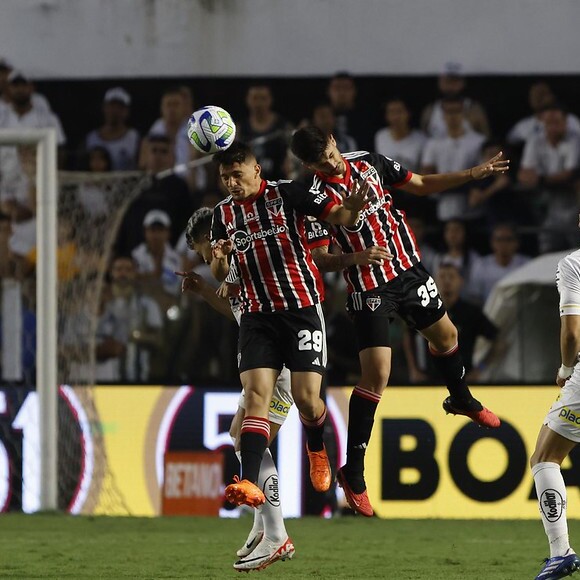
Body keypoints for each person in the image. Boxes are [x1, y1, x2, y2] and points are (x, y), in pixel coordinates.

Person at [290, 125, 507, 517]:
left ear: (335, 141)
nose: (331, 161)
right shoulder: (313, 198)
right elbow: (319, 259)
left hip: (408, 269)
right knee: (377, 374)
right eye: (321, 161)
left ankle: (460, 398)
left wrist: (473, 174)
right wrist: (355, 258)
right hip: (368, 286)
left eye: (331, 151)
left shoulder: (370, 162)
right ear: (309, 165)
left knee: (447, 336)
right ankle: (352, 472)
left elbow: (420, 183)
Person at [208, 141, 368, 520]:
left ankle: (316, 446)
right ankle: (247, 482)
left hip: (301, 311)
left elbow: (340, 216)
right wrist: (220, 261)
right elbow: (219, 274)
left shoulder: (289, 193)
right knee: (255, 393)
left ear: (256, 170)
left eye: (237, 174)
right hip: (256, 316)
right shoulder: (222, 214)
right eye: (225, 177)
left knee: (308, 398)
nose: (232, 183)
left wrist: (355, 207)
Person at [177, 207, 295, 572]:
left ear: (210, 237)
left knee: (247, 441)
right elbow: (238, 312)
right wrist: (205, 291)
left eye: (202, 247)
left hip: (279, 362)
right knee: (240, 437)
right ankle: (264, 528)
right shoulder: (229, 262)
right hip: (267, 359)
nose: (204, 255)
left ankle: (277, 535)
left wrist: (221, 273)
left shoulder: (241, 254)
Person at [529, 229, 580, 580]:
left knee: (545, 457)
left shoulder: (573, 264)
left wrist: (565, 369)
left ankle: (560, 552)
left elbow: (572, 333)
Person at [402, 263, 499, 384]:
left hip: (464, 379)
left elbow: (499, 341)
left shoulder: (471, 312)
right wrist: (413, 369)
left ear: (461, 281)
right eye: (442, 277)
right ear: (433, 281)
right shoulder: (425, 308)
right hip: (430, 380)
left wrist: (480, 369)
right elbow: (408, 334)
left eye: (452, 277)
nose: (447, 281)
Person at [518, 103, 580, 253]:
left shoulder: (574, 139)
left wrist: (540, 180)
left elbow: (569, 174)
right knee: (547, 249)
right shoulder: (535, 140)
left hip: (573, 203)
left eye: (556, 122)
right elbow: (524, 174)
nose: (552, 127)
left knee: (575, 249)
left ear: (566, 123)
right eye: (548, 123)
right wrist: (546, 180)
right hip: (547, 203)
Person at [96, 255, 163, 382]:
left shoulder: (147, 304)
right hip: (103, 377)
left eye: (128, 270)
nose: (123, 273)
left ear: (135, 273)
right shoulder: (99, 305)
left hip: (138, 377)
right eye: (119, 269)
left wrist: (135, 337)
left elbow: (159, 340)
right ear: (111, 272)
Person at [420, 62, 490, 139]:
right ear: (439, 83)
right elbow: (424, 138)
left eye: (455, 81)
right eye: (447, 81)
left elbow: (487, 139)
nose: (451, 86)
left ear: (463, 83)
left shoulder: (474, 109)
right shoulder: (430, 110)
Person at [237, 85, 292, 180]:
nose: (258, 103)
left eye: (263, 98)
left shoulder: (284, 127)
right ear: (247, 100)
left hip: (278, 182)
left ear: (270, 100)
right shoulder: (240, 129)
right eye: (255, 98)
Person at [466, 223, 530, 305]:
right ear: (492, 243)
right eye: (499, 240)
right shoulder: (481, 265)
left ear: (516, 243)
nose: (503, 244)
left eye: (508, 239)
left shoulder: (526, 264)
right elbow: (475, 296)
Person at [507, 82, 580, 146]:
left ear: (551, 97)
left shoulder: (571, 120)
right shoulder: (524, 125)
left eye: (543, 94)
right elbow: (509, 143)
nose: (538, 98)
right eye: (534, 95)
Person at [85, 87, 140, 171]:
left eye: (119, 107)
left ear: (127, 111)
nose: (114, 111)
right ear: (104, 108)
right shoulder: (91, 138)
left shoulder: (135, 138)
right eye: (111, 106)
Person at [374, 98, 426, 173]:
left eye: (399, 111)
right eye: (391, 112)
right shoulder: (380, 136)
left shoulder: (421, 139)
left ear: (408, 113)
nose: (396, 117)